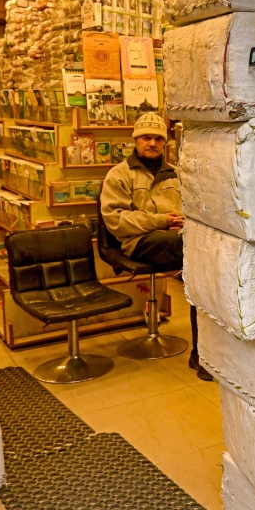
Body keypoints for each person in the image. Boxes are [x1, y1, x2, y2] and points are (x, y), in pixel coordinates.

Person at [100, 113, 212, 381]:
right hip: (137, 242)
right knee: (195, 258)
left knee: (201, 263)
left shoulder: (175, 173)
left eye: (158, 138)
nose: (152, 143)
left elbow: (189, 208)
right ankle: (201, 355)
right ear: (136, 141)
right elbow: (116, 222)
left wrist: (186, 219)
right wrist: (160, 221)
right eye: (146, 138)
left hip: (175, 238)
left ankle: (207, 351)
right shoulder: (119, 175)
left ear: (164, 143)